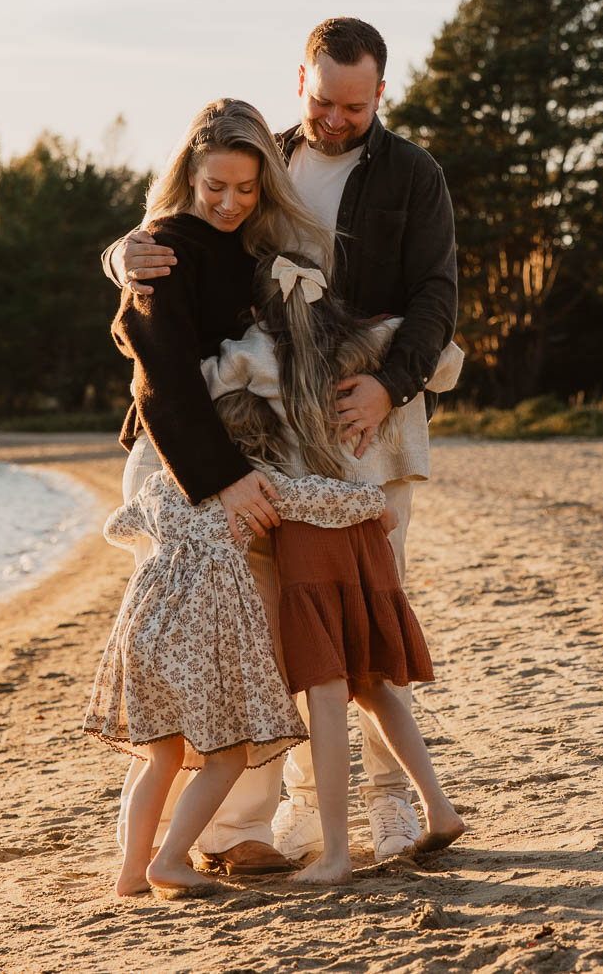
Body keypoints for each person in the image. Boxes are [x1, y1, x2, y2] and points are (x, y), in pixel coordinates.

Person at [106, 18, 458, 864]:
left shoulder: (413, 175)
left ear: (382, 92)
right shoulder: (263, 156)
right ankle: (247, 826)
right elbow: (182, 253)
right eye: (324, 99)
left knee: (365, 620)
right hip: (262, 432)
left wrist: (389, 381)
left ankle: (391, 809)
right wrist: (120, 255)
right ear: (300, 79)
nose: (337, 117)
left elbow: (438, 293)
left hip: (365, 418)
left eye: (356, 103)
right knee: (260, 620)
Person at [105, 96, 335, 875]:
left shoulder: (252, 251)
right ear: (188, 176)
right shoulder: (165, 246)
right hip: (180, 469)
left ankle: (228, 832)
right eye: (215, 188)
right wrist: (225, 481)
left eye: (246, 188)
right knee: (183, 650)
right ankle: (171, 846)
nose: (231, 202)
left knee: (247, 643)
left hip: (241, 462)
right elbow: (159, 381)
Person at [206, 251, 465, 883]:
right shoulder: (367, 342)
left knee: (323, 694)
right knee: (373, 681)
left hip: (310, 537)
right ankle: (438, 806)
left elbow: (201, 383)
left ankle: (337, 855)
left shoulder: (253, 352)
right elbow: (448, 362)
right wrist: (386, 337)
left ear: (257, 306)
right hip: (366, 532)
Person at [85, 390, 393, 898]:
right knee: (225, 757)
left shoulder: (160, 486)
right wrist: (377, 504)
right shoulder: (255, 488)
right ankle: (168, 863)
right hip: (202, 643)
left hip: (144, 635)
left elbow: (115, 526)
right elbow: (325, 499)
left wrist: (166, 538)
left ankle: (132, 872)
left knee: (161, 759)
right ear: (260, 446)